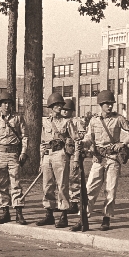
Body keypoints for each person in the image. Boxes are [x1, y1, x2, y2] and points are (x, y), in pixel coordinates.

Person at [69, 90, 129, 232]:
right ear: (101, 105)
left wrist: (122, 143)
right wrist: (83, 142)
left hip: (113, 158)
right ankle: (83, 218)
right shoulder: (94, 120)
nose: (109, 106)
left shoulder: (119, 118)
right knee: (89, 189)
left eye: (111, 104)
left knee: (110, 190)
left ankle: (106, 219)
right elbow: (89, 137)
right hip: (98, 158)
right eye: (106, 104)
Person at [0, 92, 29, 225]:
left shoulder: (18, 118)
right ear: (0, 105)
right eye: (4, 103)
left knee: (15, 183)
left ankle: (18, 212)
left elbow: (25, 136)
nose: (7, 105)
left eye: (9, 103)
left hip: (13, 155)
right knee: (0, 184)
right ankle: (5, 212)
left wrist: (23, 152)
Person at [36, 92, 77, 228]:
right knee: (47, 185)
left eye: (61, 105)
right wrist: (41, 159)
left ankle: (63, 215)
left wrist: (75, 157)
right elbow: (42, 142)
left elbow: (76, 139)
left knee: (62, 185)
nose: (60, 107)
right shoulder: (45, 122)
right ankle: (49, 214)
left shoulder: (67, 122)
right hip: (47, 155)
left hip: (60, 154)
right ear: (51, 107)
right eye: (57, 105)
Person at [61, 98, 86, 214]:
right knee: (63, 179)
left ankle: (74, 202)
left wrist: (76, 158)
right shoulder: (60, 121)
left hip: (73, 153)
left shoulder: (76, 121)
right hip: (62, 153)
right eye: (64, 109)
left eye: (68, 110)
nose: (65, 112)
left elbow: (80, 138)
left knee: (73, 178)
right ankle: (65, 201)